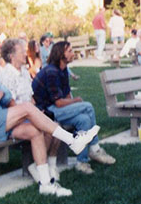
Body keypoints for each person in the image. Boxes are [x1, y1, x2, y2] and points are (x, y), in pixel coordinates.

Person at [0, 34, 98, 197]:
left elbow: (3, 91)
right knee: (27, 108)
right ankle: (72, 140)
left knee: (34, 131)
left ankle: (46, 183)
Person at [32, 41, 116, 174]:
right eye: (70, 51)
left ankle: (82, 162)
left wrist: (74, 104)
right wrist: (77, 101)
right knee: (87, 106)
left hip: (56, 108)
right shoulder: (51, 71)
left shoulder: (63, 69)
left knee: (83, 120)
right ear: (61, 55)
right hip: (45, 112)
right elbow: (59, 103)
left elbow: (66, 96)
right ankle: (95, 148)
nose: (73, 53)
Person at [0, 38, 62, 181]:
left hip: (29, 113)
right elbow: (11, 104)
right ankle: (42, 167)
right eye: (22, 51)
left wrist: (38, 112)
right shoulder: (7, 75)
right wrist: (34, 117)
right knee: (45, 129)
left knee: (56, 127)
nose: (25, 54)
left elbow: (31, 98)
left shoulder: (24, 71)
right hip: (15, 119)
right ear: (11, 56)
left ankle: (49, 166)